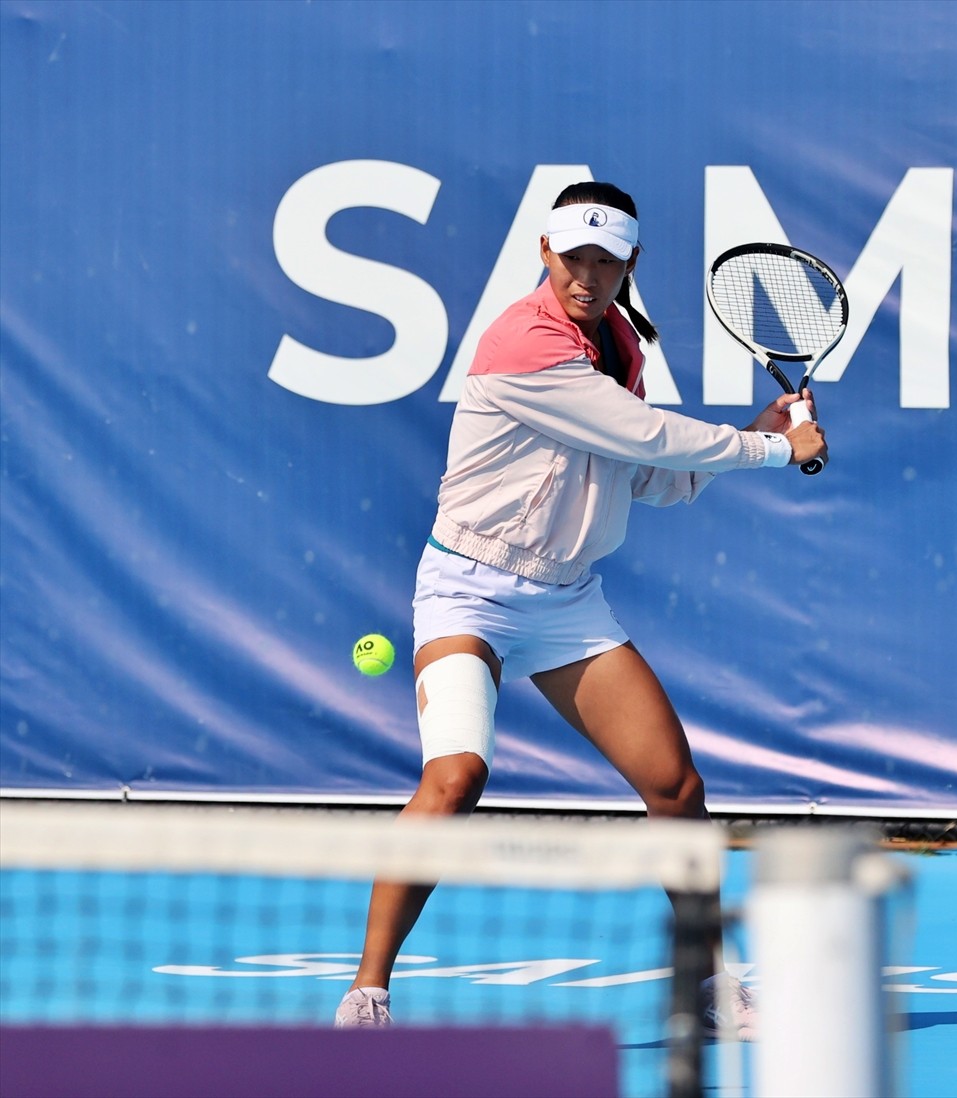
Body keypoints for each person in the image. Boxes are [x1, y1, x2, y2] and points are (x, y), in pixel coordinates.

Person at [334, 182, 827, 1039]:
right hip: (469, 591)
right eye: (574, 259)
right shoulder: (523, 338)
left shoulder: (621, 348)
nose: (587, 278)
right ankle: (367, 994)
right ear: (545, 252)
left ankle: (710, 985)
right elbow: (645, 437)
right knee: (455, 779)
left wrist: (753, 427)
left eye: (606, 262)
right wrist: (774, 449)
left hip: (569, 601)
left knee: (675, 788)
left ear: (629, 263)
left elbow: (647, 476)